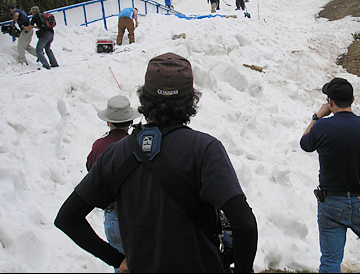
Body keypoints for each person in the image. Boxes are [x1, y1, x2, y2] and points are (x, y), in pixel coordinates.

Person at [55, 52, 258, 273]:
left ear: (143, 97)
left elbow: (67, 218)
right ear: (191, 100)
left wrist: (116, 260)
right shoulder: (204, 149)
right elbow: (244, 224)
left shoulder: (115, 154)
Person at [300, 78, 360, 273]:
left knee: (330, 261)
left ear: (330, 103)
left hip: (331, 202)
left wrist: (317, 116)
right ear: (352, 99)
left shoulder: (322, 127)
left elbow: (305, 143)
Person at [86, 95, 141, 273]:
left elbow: (91, 173)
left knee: (121, 265)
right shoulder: (137, 145)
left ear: (108, 122)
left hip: (112, 218)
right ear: (130, 121)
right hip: (136, 216)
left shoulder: (98, 147)